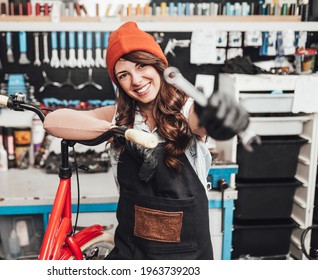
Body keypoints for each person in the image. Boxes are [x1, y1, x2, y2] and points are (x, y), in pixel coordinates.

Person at [44, 21, 249, 260]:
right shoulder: (119, 116)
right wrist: (116, 128)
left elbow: (208, 122)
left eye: (142, 66)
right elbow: (54, 122)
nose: (136, 80)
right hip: (133, 251)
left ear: (159, 65)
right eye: (124, 75)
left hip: (186, 255)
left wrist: (223, 115)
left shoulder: (187, 111)